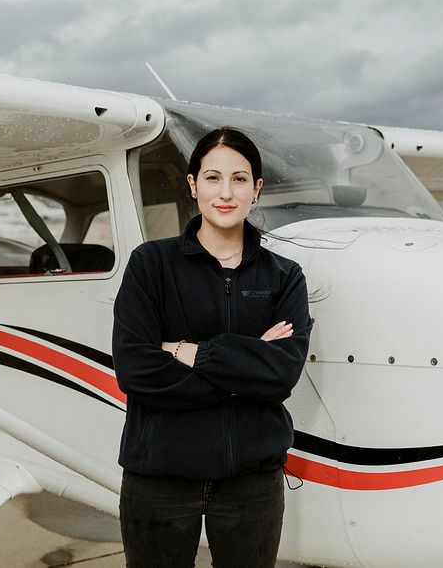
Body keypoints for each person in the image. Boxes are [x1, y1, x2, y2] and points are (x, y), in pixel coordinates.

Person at [112, 127, 311, 567]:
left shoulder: (284, 276)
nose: (226, 192)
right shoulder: (150, 264)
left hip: (251, 484)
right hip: (160, 480)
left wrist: (191, 352)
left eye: (240, 179)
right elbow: (135, 369)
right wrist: (247, 366)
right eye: (212, 177)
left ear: (256, 189)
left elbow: (282, 374)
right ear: (192, 185)